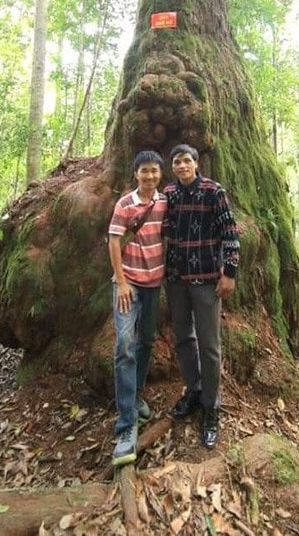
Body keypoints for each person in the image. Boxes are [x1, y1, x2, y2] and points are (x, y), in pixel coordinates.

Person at [164, 144, 240, 449]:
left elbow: (230, 232)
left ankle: (211, 407)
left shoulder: (213, 191)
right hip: (176, 278)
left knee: (209, 345)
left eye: (186, 161)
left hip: (207, 279)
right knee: (183, 338)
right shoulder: (169, 194)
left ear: (196, 164)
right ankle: (193, 391)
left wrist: (230, 272)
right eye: (177, 162)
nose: (182, 166)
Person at [107, 150, 166, 467]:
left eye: (155, 171)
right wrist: (121, 280)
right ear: (136, 174)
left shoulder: (164, 202)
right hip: (127, 284)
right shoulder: (125, 204)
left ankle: (136, 394)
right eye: (145, 170)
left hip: (154, 283)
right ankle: (126, 426)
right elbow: (113, 241)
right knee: (124, 345)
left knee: (146, 341)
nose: (150, 176)